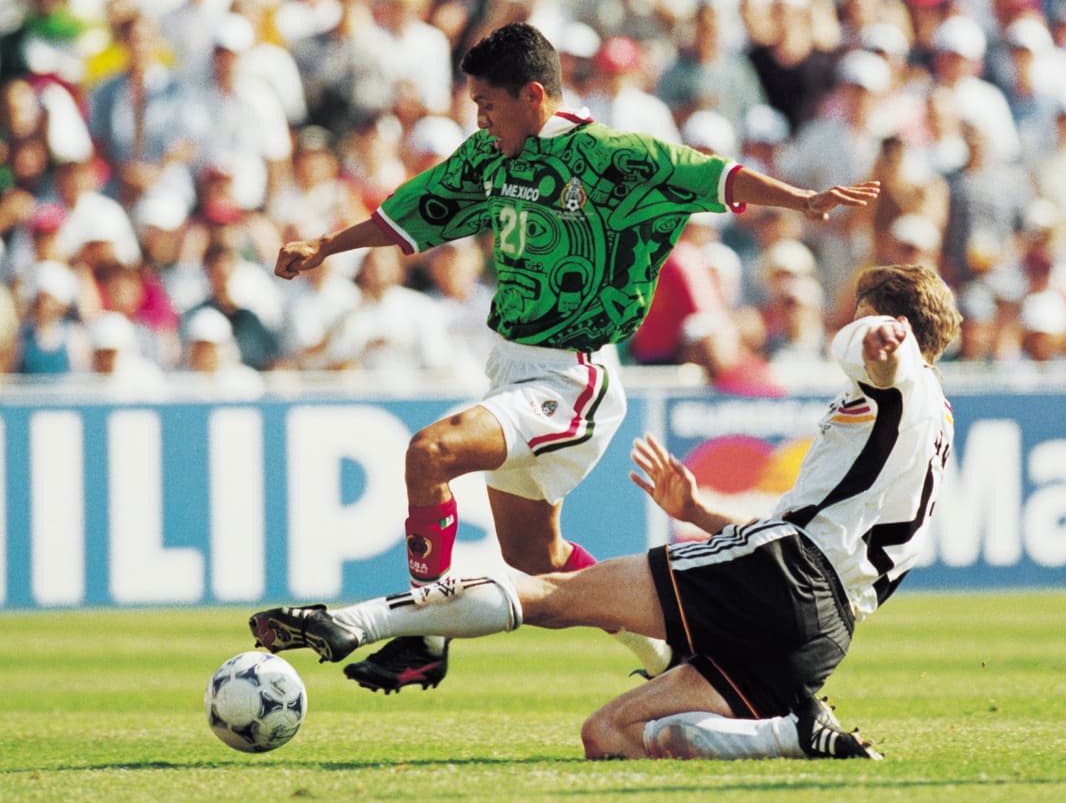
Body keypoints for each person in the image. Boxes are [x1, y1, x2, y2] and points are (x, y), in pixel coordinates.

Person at [270, 21, 883, 695]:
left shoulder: (614, 157)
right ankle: (671, 657)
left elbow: (715, 177)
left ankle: (423, 634)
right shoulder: (488, 157)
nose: (479, 118)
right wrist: (327, 245)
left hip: (572, 375)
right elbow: (417, 210)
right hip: (513, 367)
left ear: (533, 95)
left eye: (487, 105)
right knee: (540, 559)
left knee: (430, 452)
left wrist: (801, 200)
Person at [250, 263, 961, 761]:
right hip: (824, 629)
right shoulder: (929, 422)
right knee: (607, 737)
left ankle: (354, 623)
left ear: (893, 318)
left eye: (862, 314)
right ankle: (788, 735)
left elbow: (878, 353)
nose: (854, 324)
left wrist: (879, 338)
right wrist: (702, 513)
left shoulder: (898, 376)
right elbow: (824, 525)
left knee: (555, 597)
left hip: (780, 577)